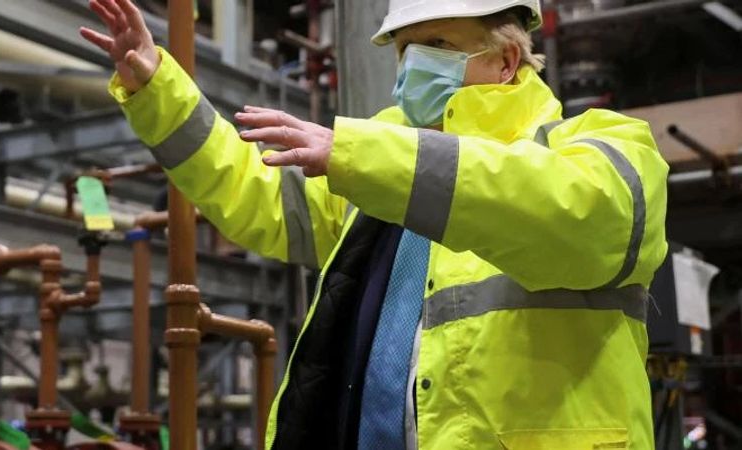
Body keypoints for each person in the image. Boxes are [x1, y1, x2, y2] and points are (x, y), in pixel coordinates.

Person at [82, 0, 667, 448]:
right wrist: (158, 88)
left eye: (435, 44)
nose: (412, 68)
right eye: (403, 50)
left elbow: (570, 208)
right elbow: (254, 192)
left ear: (506, 59)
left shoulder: (600, 147)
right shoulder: (376, 173)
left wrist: (365, 156)